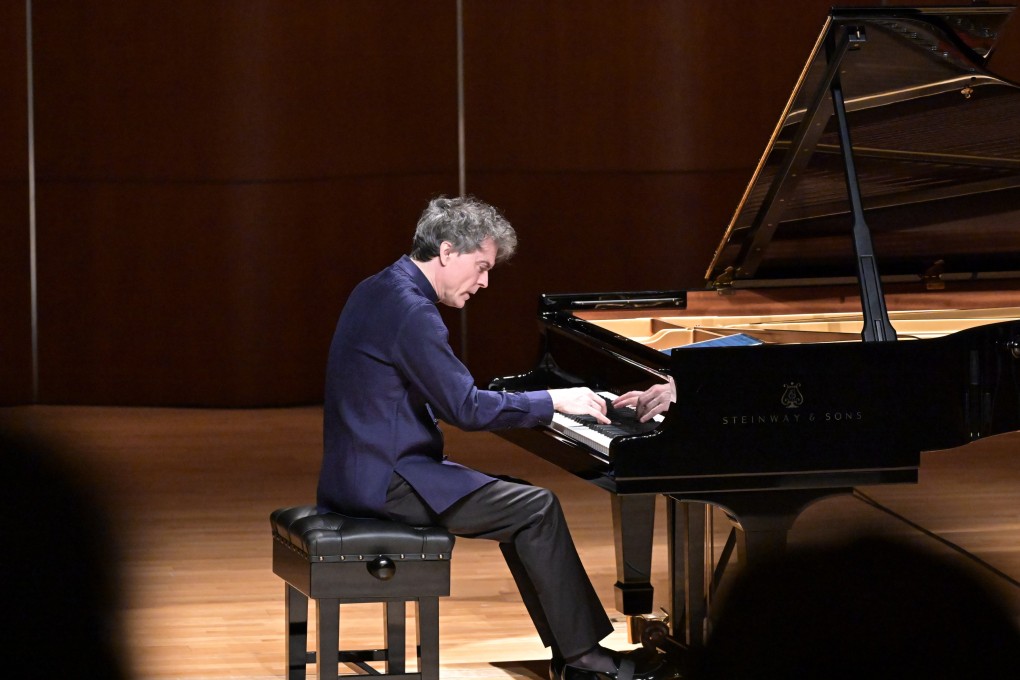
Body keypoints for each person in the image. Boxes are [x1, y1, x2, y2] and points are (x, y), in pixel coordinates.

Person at [316, 196, 672, 680]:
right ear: (446, 251)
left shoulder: (377, 287)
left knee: (522, 503)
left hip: (353, 474)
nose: (485, 282)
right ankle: (585, 660)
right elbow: (465, 408)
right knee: (536, 508)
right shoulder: (412, 311)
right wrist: (553, 401)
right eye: (481, 267)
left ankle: (574, 655)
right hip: (388, 481)